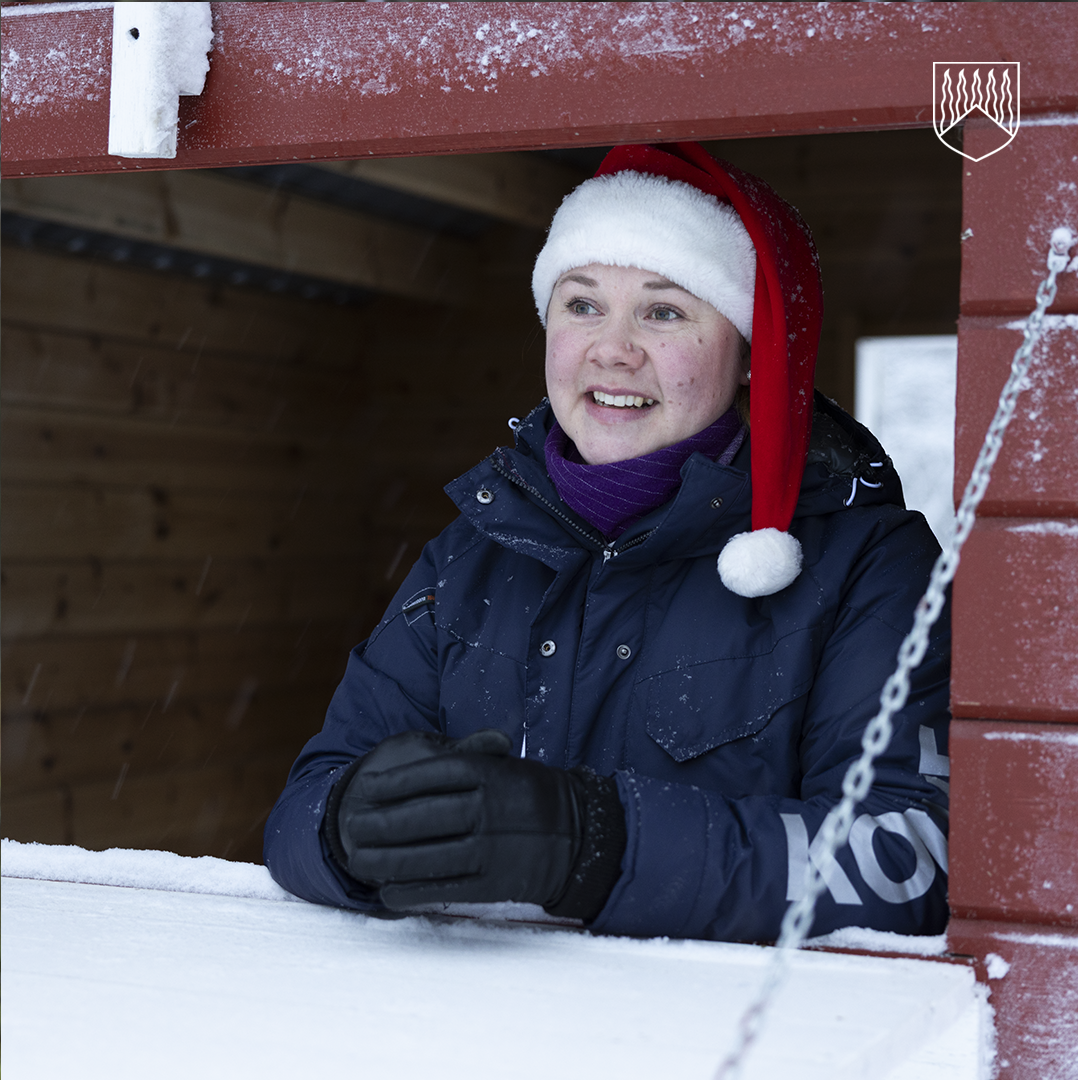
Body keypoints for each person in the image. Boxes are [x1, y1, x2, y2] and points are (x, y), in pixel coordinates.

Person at [264, 142, 951, 942]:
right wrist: (350, 834)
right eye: (582, 305)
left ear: (749, 359)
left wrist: (594, 846)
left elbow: (910, 865)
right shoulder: (469, 555)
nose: (612, 349)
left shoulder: (869, 563)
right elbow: (305, 804)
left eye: (664, 311)